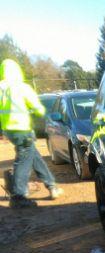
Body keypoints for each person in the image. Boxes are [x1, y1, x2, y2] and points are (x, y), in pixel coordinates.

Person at [0, 58, 63, 208]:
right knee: (23, 161)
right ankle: (18, 196)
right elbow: (37, 107)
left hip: (9, 130)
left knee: (34, 157)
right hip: (22, 129)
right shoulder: (21, 87)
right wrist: (40, 112)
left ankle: (52, 186)